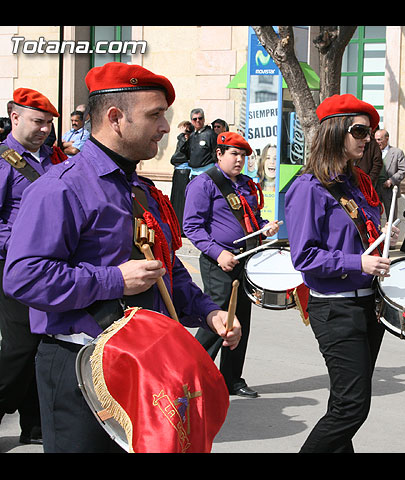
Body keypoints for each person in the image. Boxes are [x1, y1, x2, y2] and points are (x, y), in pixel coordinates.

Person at [3, 62, 240, 453]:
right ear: (116, 118)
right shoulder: (61, 188)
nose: (165, 127)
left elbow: (164, 267)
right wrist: (114, 280)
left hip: (145, 364)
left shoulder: (140, 189)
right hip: (81, 365)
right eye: (155, 115)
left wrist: (208, 312)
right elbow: (24, 277)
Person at [285, 93, 399, 453]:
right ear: (335, 132)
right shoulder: (307, 188)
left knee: (343, 402)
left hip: (368, 305)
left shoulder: (356, 182)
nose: (367, 139)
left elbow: (356, 235)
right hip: (336, 309)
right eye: (360, 131)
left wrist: (381, 236)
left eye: (370, 132)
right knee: (352, 407)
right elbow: (304, 257)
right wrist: (357, 263)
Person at [183, 131, 279, 398]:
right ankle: (188, 377)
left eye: (243, 155)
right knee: (217, 322)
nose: (239, 160)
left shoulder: (246, 185)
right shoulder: (204, 184)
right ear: (219, 154)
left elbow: (252, 219)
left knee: (241, 322)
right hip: (220, 262)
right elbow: (192, 226)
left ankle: (232, 379)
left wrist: (265, 227)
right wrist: (218, 253)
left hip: (245, 260)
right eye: (234, 154)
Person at [0, 88, 61, 444]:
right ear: (15, 118)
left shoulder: (55, 160)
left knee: (41, 346)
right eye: (38, 121)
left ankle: (34, 427)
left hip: (51, 269)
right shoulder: (5, 160)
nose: (43, 129)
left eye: (48, 123)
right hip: (14, 267)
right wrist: (19, 246)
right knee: (20, 348)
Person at [374, 128, 405, 222]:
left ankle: (391, 236)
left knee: (391, 218)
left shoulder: (397, 152)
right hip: (375, 188)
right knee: (374, 215)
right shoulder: (373, 153)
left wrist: (391, 181)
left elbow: (403, 170)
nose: (377, 142)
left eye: (379, 139)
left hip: (389, 190)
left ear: (387, 139)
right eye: (375, 139)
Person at [170, 120, 194, 232]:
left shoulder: (186, 139)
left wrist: (183, 136)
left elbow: (180, 153)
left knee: (181, 201)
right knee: (178, 200)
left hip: (184, 172)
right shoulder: (185, 139)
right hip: (181, 171)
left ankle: (179, 227)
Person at [186, 108, 217, 178]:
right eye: (195, 119)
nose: (198, 121)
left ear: (204, 119)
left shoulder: (210, 134)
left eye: (200, 118)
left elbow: (216, 153)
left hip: (206, 172)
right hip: (193, 173)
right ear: (191, 121)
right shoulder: (192, 135)